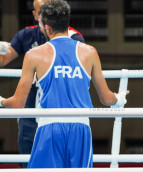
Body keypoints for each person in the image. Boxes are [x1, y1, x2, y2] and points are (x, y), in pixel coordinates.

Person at [0, 0, 128, 168]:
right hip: (80, 128)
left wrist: (1, 101)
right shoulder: (89, 52)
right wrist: (118, 99)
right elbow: (106, 98)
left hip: (49, 127)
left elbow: (18, 104)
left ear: (47, 27)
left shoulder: (34, 55)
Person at [0, 0, 84, 167]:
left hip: (60, 108)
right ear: (35, 15)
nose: (46, 16)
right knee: (28, 160)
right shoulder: (26, 35)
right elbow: (3, 60)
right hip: (30, 106)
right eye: (42, 12)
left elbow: (78, 75)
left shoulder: (74, 38)